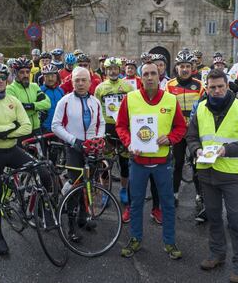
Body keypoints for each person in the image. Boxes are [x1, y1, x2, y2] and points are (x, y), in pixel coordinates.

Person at [186, 68, 238, 283]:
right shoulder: (200, 108)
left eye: (220, 86)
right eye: (212, 87)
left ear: (227, 86)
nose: (216, 91)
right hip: (206, 173)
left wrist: (227, 150)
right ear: (206, 88)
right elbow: (191, 137)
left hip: (230, 174)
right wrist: (196, 149)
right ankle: (217, 254)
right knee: (214, 217)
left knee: (236, 221)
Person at [0, 63, 50, 255]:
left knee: (42, 170)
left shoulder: (12, 100)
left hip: (12, 149)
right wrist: (12, 127)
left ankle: (44, 210)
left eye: (3, 77)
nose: (1, 81)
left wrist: (5, 132)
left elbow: (26, 126)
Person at [116, 62, 187, 259]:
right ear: (140, 76)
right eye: (145, 74)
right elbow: (120, 125)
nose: (149, 77)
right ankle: (135, 239)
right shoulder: (130, 98)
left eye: (153, 73)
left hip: (162, 162)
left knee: (167, 203)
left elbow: (181, 127)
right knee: (136, 203)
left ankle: (170, 242)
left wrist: (171, 138)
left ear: (159, 75)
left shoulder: (171, 100)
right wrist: (129, 142)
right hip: (138, 162)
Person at [52, 66, 105, 240]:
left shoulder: (95, 101)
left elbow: (101, 122)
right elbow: (56, 125)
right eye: (77, 80)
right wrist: (74, 141)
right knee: (75, 185)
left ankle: (83, 218)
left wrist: (98, 139)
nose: (81, 83)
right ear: (72, 82)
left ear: (90, 82)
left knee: (88, 183)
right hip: (73, 148)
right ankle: (71, 226)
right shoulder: (65, 101)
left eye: (84, 80)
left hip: (91, 149)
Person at [94, 57, 134, 217]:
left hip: (124, 127)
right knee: (105, 163)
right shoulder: (100, 88)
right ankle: (105, 191)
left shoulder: (128, 86)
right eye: (109, 69)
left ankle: (124, 190)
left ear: (120, 69)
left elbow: (133, 106)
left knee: (124, 163)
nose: (112, 71)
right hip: (107, 128)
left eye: (115, 69)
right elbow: (96, 110)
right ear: (105, 70)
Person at [166, 51, 204, 208]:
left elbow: (203, 108)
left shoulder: (199, 85)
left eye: (188, 66)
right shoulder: (169, 85)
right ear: (176, 67)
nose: (185, 69)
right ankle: (174, 193)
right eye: (182, 66)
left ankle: (199, 194)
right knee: (178, 163)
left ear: (192, 68)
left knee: (197, 164)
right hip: (178, 132)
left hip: (195, 132)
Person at [6, 58, 51, 138]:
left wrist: (31, 106)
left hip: (37, 129)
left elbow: (47, 103)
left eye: (27, 72)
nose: (26, 75)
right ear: (16, 73)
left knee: (42, 151)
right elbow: (16, 112)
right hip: (21, 130)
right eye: (22, 72)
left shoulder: (34, 86)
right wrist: (37, 108)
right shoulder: (10, 89)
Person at [40, 64, 64, 132]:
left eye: (52, 76)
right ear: (43, 77)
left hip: (60, 127)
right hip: (45, 128)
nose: (50, 78)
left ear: (57, 77)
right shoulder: (40, 91)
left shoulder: (61, 91)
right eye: (47, 76)